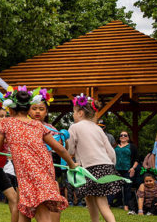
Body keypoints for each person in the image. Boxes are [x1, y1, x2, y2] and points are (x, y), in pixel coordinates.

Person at [0, 87, 76, 222]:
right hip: (43, 169)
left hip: (29, 172)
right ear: (29, 108)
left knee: (41, 211)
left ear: (10, 109)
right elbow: (60, 149)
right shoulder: (37, 125)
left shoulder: (6, 124)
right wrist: (72, 164)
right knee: (25, 210)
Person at [68, 93, 121, 222]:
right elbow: (111, 151)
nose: (73, 115)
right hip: (105, 166)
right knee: (90, 199)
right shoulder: (98, 129)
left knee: (98, 202)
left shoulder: (74, 127)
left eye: (74, 112)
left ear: (80, 113)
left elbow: (70, 149)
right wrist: (111, 165)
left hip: (90, 168)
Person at [27, 90, 69, 221]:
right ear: (28, 110)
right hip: (28, 168)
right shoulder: (24, 126)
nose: (37, 112)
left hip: (47, 168)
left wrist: (63, 141)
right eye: (34, 108)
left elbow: (61, 149)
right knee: (24, 201)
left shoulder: (51, 128)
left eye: (41, 109)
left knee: (52, 196)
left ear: (46, 112)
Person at [113, 130, 138, 211]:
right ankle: (112, 203)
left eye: (125, 135)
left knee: (127, 188)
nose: (123, 136)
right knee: (115, 187)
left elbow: (137, 159)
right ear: (119, 137)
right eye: (121, 135)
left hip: (128, 170)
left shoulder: (132, 146)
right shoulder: (115, 146)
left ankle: (126, 205)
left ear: (128, 137)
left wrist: (133, 168)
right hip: (116, 170)